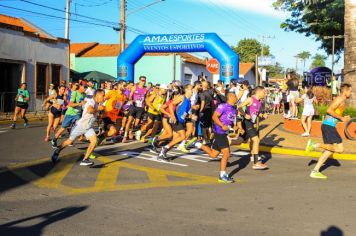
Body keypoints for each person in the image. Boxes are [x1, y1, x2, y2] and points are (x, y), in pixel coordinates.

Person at [306, 83, 352, 179]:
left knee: (328, 150)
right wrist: (341, 118)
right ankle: (314, 145)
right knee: (340, 149)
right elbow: (329, 110)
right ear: (345, 91)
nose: (351, 93)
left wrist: (343, 118)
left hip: (328, 125)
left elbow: (334, 113)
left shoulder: (341, 100)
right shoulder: (340, 99)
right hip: (328, 126)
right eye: (350, 91)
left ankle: (315, 171)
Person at [51, 89, 105, 166]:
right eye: (103, 95)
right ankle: (57, 150)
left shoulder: (97, 103)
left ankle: (85, 159)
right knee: (68, 142)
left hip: (88, 127)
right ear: (97, 95)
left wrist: (101, 113)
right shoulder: (91, 102)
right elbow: (90, 110)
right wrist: (98, 109)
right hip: (80, 126)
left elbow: (95, 115)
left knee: (94, 141)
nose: (104, 97)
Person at [193, 92, 238, 183]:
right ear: (230, 97)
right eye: (235, 96)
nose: (237, 97)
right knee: (226, 153)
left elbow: (230, 120)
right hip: (219, 131)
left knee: (214, 154)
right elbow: (214, 117)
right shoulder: (223, 106)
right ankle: (222, 175)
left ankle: (198, 144)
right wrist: (222, 126)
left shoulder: (234, 108)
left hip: (224, 132)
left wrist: (234, 127)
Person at [157, 84, 193, 161]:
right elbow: (170, 105)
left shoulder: (189, 101)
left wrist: (190, 116)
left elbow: (184, 113)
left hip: (181, 121)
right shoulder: (182, 97)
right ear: (186, 90)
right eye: (190, 89)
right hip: (175, 119)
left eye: (192, 89)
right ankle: (164, 147)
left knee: (174, 141)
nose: (192, 91)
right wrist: (172, 115)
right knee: (183, 136)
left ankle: (162, 154)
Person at [238, 86, 269, 170]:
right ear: (258, 92)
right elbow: (239, 107)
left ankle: (228, 141)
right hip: (246, 122)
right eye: (264, 92)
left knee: (241, 140)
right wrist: (245, 115)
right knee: (256, 140)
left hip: (251, 123)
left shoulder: (259, 102)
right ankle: (256, 163)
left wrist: (262, 115)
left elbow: (256, 113)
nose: (265, 94)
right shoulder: (250, 99)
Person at [51, 83, 87, 147]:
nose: (85, 88)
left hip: (77, 114)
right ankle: (54, 139)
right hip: (70, 113)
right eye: (84, 87)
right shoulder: (75, 93)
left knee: (78, 126)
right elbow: (70, 104)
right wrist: (79, 104)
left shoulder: (84, 94)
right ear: (80, 87)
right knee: (63, 128)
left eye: (86, 87)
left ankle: (71, 140)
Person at [122, 76, 148, 143]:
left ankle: (130, 131)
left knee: (136, 123)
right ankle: (125, 136)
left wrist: (146, 106)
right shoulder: (134, 87)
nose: (143, 82)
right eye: (142, 80)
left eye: (144, 80)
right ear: (139, 80)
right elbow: (130, 96)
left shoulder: (146, 89)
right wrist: (131, 100)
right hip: (133, 106)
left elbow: (146, 98)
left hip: (141, 107)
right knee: (130, 120)